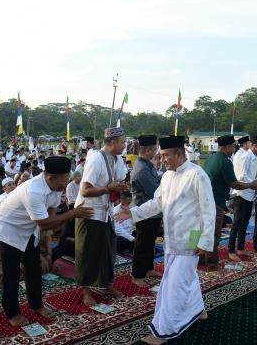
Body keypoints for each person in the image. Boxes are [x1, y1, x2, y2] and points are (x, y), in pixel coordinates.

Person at [114, 135, 216, 345]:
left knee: (174, 283)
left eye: (165, 156)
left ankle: (163, 331)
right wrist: (132, 213)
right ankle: (198, 309)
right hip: (173, 236)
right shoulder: (167, 176)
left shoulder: (197, 175)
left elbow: (209, 210)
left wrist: (205, 242)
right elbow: (156, 203)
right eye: (160, 156)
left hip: (192, 236)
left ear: (179, 153)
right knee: (186, 275)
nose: (162, 160)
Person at [0, 155, 93, 326]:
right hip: (9, 229)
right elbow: (45, 223)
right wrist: (73, 213)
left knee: (33, 268)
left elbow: (50, 214)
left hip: (30, 228)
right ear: (50, 177)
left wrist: (58, 218)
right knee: (12, 273)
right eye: (64, 179)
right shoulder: (33, 191)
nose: (66, 183)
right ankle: (12, 313)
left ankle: (36, 304)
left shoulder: (56, 186)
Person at [75, 127, 129, 306]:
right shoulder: (97, 159)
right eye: (122, 142)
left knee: (108, 250)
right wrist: (109, 188)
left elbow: (117, 182)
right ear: (112, 143)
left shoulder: (118, 159)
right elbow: (85, 190)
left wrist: (121, 187)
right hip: (89, 211)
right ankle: (86, 290)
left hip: (106, 212)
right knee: (88, 253)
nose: (125, 145)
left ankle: (107, 285)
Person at [203, 134, 257, 269]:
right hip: (214, 202)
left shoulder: (212, 158)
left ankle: (198, 258)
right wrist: (254, 185)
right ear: (227, 147)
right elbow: (235, 184)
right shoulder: (224, 161)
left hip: (204, 200)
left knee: (200, 232)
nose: (234, 149)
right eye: (233, 147)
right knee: (213, 234)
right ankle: (212, 264)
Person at [130, 134, 162, 287]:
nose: (156, 152)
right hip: (144, 211)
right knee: (142, 244)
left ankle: (148, 268)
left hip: (152, 212)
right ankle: (137, 275)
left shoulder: (147, 164)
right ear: (149, 150)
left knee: (150, 242)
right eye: (155, 149)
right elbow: (155, 191)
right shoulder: (142, 169)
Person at [228, 135, 257, 261]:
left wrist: (253, 185)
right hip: (241, 193)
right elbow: (241, 176)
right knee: (236, 223)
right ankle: (231, 250)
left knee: (244, 222)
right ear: (246, 144)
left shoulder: (249, 155)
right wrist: (255, 184)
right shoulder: (243, 156)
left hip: (249, 192)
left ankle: (240, 248)